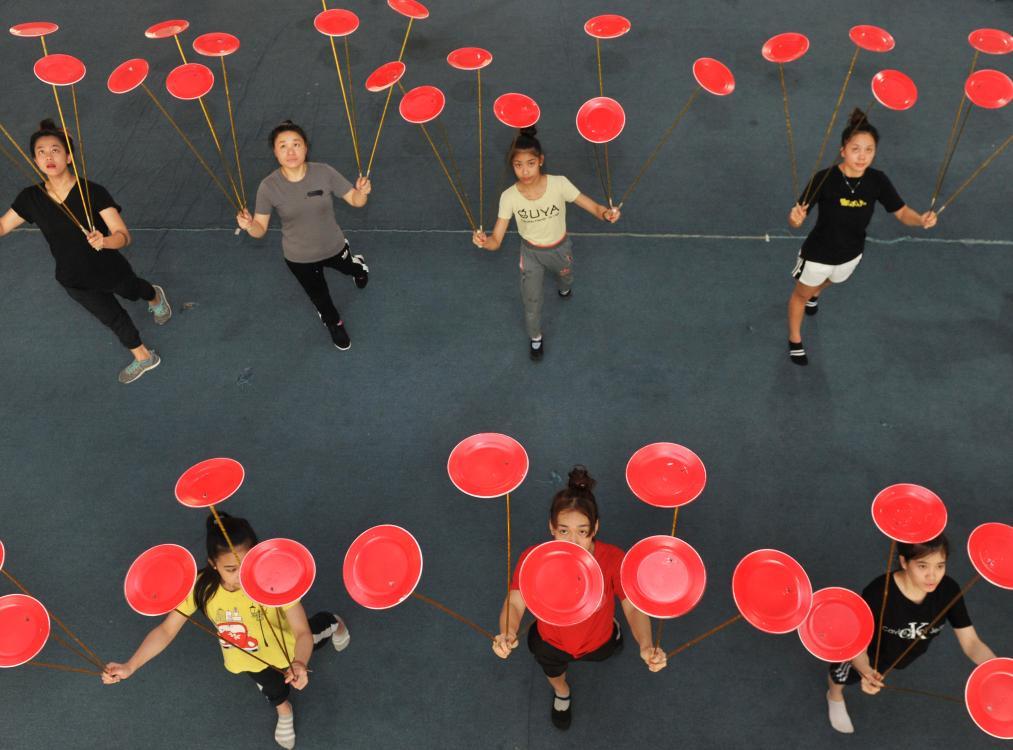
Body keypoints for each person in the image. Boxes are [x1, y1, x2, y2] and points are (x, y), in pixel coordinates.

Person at [103, 513, 351, 750]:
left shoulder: (273, 575)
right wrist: (130, 665)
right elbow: (166, 631)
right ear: (213, 564)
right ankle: (283, 709)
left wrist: (299, 662)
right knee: (271, 688)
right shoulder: (200, 588)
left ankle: (334, 622)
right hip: (247, 657)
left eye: (246, 565)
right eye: (231, 569)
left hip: (290, 648)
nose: (241, 577)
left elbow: (302, 633)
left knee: (318, 630)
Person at [492, 466, 667, 730]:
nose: (572, 541)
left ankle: (613, 632)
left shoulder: (613, 558)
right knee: (553, 671)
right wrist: (508, 631)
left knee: (609, 648)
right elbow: (515, 601)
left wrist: (645, 643)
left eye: (582, 532)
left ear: (595, 528)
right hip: (550, 641)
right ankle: (562, 693)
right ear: (552, 527)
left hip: (600, 640)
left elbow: (631, 607)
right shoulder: (534, 558)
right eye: (564, 531)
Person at [0, 119, 170, 383]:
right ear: (34, 160)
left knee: (135, 290)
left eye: (55, 150)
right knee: (113, 317)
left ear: (68, 156)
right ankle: (144, 357)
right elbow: (2, 225)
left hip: (109, 269)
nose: (48, 157)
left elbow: (124, 236)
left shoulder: (93, 192)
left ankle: (155, 297)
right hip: (73, 278)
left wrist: (105, 241)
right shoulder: (30, 198)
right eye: (41, 152)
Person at [786, 108, 937, 365]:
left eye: (869, 150)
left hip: (851, 253)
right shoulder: (824, 179)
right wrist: (795, 219)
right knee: (801, 295)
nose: (862, 156)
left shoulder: (877, 180)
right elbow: (797, 216)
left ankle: (816, 294)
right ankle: (795, 338)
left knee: (830, 282)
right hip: (818, 254)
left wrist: (920, 220)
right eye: (856, 149)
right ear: (843, 150)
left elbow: (901, 212)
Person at [824, 534, 996, 734]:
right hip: (865, 652)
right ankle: (834, 697)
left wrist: (997, 671)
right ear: (904, 562)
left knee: (889, 665)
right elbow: (856, 641)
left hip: (902, 653)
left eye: (940, 566)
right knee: (841, 676)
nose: (932, 576)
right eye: (923, 566)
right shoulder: (878, 592)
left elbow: (971, 643)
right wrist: (864, 669)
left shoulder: (949, 590)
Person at [472, 128, 620, 360]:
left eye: (530, 163)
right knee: (531, 300)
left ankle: (564, 286)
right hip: (531, 254)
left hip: (561, 249)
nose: (525, 171)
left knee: (566, 277)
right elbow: (496, 241)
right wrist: (483, 242)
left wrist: (606, 214)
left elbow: (592, 206)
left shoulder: (559, 184)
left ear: (541, 161)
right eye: (518, 165)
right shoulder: (509, 197)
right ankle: (535, 337)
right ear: (512, 166)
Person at [237, 120, 371, 351]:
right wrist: (249, 226)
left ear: (306, 147)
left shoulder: (324, 172)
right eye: (283, 146)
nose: (290, 151)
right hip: (299, 257)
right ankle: (333, 323)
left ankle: (358, 266)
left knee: (351, 268)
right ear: (275, 152)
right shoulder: (268, 187)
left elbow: (356, 201)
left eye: (296, 144)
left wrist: (362, 193)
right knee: (319, 296)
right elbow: (260, 229)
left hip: (334, 246)